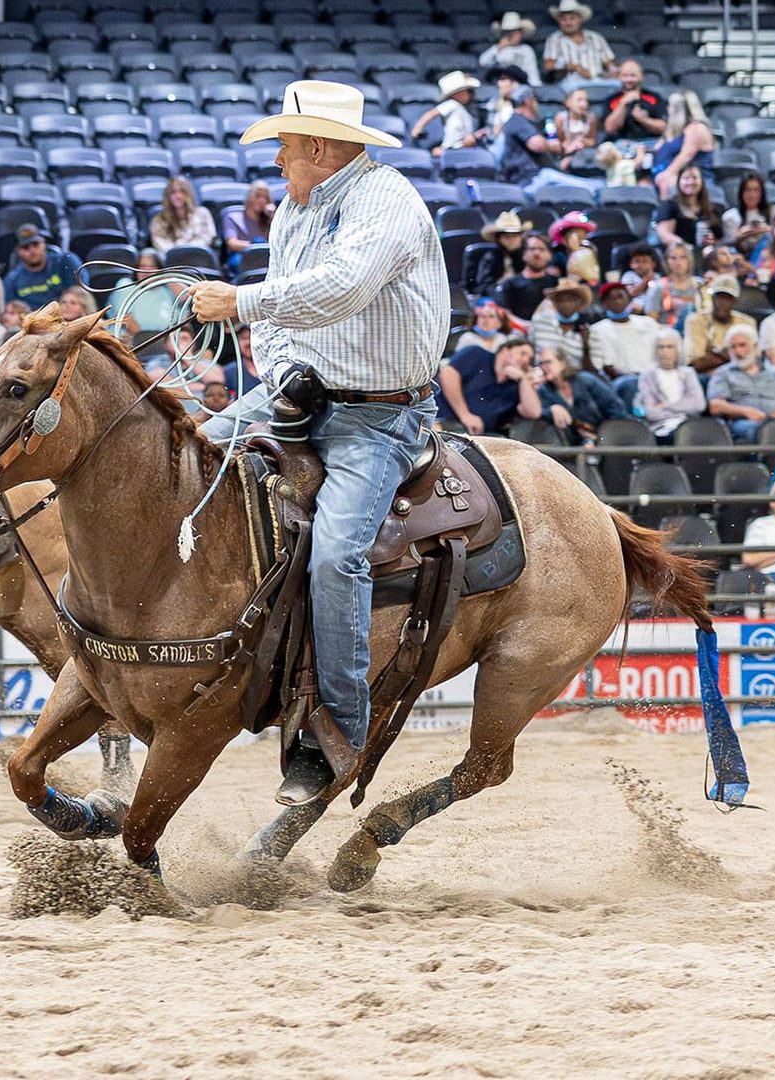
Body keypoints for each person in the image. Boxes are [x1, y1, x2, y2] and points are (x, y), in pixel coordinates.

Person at [189, 81, 447, 802]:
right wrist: (282, 369)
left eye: (283, 145)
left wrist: (238, 301)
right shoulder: (293, 213)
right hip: (294, 398)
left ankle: (334, 730)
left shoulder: (387, 202)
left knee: (337, 555)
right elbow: (280, 318)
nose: (275, 159)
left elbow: (342, 288)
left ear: (319, 148)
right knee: (177, 464)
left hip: (379, 418)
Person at [707, 325, 775, 440]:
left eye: (742, 345)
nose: (737, 351)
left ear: (756, 347)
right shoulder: (723, 373)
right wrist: (745, 411)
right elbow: (715, 406)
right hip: (743, 422)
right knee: (758, 430)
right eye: (733, 347)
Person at [518, 349, 629, 441]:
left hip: (608, 437)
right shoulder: (544, 390)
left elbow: (615, 408)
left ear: (562, 362)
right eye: (541, 364)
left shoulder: (585, 380)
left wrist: (604, 437)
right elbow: (538, 413)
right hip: (575, 443)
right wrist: (552, 410)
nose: (543, 367)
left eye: (548, 362)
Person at [438, 336, 532, 434]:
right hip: (445, 421)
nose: (525, 360)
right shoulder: (477, 354)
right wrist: (465, 415)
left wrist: (523, 380)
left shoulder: (516, 386)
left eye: (529, 359)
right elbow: (447, 373)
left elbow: (533, 412)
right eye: (522, 354)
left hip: (482, 436)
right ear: (505, 350)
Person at [589, 280, 661, 396]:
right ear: (603, 303)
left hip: (654, 377)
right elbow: (606, 368)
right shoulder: (597, 330)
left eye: (620, 296)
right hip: (622, 382)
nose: (617, 301)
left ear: (628, 299)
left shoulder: (648, 323)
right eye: (611, 298)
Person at [637, 327, 706, 438]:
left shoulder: (688, 373)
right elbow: (650, 412)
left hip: (689, 425)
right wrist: (681, 411)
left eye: (670, 347)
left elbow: (698, 405)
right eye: (661, 347)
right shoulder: (647, 376)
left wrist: (666, 405)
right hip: (660, 428)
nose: (665, 352)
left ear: (678, 349)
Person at [649, 91, 714, 197]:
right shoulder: (673, 130)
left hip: (691, 176)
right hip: (663, 174)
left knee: (666, 182)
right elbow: (657, 149)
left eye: (669, 106)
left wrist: (667, 175)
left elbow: (685, 156)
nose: (667, 109)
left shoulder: (696, 127)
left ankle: (665, 211)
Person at [2, 224, 84, 307]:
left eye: (36, 244)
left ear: (44, 243)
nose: (32, 250)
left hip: (67, 314)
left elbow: (83, 293)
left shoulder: (66, 262)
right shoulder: (12, 279)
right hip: (32, 318)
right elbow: (11, 309)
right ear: (18, 251)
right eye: (25, 247)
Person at [685, 274, 753, 372]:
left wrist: (715, 353)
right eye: (719, 297)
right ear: (712, 298)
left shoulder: (747, 323)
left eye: (727, 298)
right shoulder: (696, 320)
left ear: (735, 301)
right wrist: (731, 355)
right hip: (706, 378)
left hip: (740, 376)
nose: (722, 303)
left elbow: (751, 360)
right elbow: (695, 365)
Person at [542, 0, 614, 90]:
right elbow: (548, 66)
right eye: (563, 19)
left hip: (598, 80)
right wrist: (572, 67)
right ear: (559, 21)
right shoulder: (554, 39)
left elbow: (610, 63)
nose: (568, 23)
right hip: (571, 83)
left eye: (572, 18)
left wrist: (613, 72)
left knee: (618, 84)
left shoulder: (595, 37)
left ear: (580, 19)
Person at [528, 277, 594, 372]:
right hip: (542, 376)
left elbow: (590, 371)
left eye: (571, 300)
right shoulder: (540, 323)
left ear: (579, 303)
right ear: (554, 303)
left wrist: (586, 345)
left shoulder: (587, 330)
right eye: (560, 300)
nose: (565, 304)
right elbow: (529, 352)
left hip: (574, 378)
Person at [491, 233, 560, 320]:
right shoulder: (509, 285)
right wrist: (526, 327)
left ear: (550, 256)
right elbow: (505, 315)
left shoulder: (557, 284)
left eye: (542, 249)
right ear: (523, 255)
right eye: (532, 249)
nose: (537, 253)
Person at [650, 167, 718, 250]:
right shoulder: (669, 205)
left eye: (695, 177)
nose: (691, 182)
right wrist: (686, 247)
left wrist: (711, 240)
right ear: (679, 182)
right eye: (686, 178)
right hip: (678, 254)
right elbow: (664, 235)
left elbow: (718, 236)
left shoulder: (709, 207)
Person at [601, 58, 664, 141]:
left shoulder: (654, 97)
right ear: (619, 77)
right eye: (625, 76)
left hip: (649, 142)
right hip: (620, 144)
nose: (629, 80)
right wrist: (623, 103)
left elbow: (663, 127)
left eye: (633, 75)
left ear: (641, 76)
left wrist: (644, 120)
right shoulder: (611, 99)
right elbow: (610, 129)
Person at [148, 176, 216, 254]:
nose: (178, 196)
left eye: (182, 192)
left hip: (197, 256)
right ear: (168, 195)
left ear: (189, 194)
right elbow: (159, 242)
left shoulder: (203, 213)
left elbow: (207, 237)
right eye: (173, 192)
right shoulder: (159, 219)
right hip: (171, 259)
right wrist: (177, 252)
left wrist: (188, 250)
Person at [220, 180, 276, 273]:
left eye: (265, 197)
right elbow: (232, 243)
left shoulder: (269, 219)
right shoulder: (232, 217)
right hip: (241, 255)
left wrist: (273, 217)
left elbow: (278, 242)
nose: (261, 200)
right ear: (249, 196)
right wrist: (256, 247)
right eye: (257, 196)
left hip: (265, 257)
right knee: (258, 242)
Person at [647, 242, 704, 330]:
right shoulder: (658, 287)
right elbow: (651, 322)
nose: (678, 262)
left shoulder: (699, 285)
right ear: (667, 261)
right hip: (667, 336)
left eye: (683, 257)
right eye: (673, 258)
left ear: (689, 260)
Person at [479, 12, 541, 85]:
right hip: (500, 85)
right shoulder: (498, 49)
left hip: (521, 85)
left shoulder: (527, 50)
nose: (512, 35)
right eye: (508, 32)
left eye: (515, 32)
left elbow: (532, 73)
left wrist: (535, 89)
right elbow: (483, 62)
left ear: (521, 33)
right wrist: (498, 47)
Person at [721, 170, 775, 251]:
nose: (752, 194)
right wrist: (740, 235)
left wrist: (766, 229)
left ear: (762, 192)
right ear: (741, 192)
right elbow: (727, 246)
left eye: (756, 190)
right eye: (747, 190)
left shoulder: (773, 212)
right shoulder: (730, 216)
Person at [551, 88, 600, 172]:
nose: (584, 104)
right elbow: (558, 140)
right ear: (568, 103)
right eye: (579, 100)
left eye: (586, 100)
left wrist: (582, 141)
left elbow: (593, 140)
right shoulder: (560, 118)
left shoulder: (591, 118)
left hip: (585, 153)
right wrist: (569, 145)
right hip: (566, 153)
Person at [549, 211, 599, 284]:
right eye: (575, 234)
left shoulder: (589, 251)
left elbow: (593, 279)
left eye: (583, 235)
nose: (580, 239)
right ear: (564, 239)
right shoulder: (557, 256)